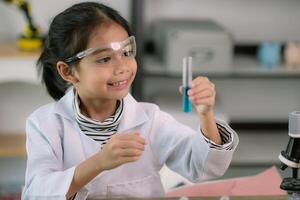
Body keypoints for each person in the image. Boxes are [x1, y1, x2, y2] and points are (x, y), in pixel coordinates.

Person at [22, 2, 239, 200]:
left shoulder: (151, 120)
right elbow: (37, 193)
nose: (123, 67)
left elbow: (204, 167)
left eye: (127, 52)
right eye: (105, 58)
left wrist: (206, 114)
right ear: (68, 71)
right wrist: (98, 163)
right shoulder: (45, 124)